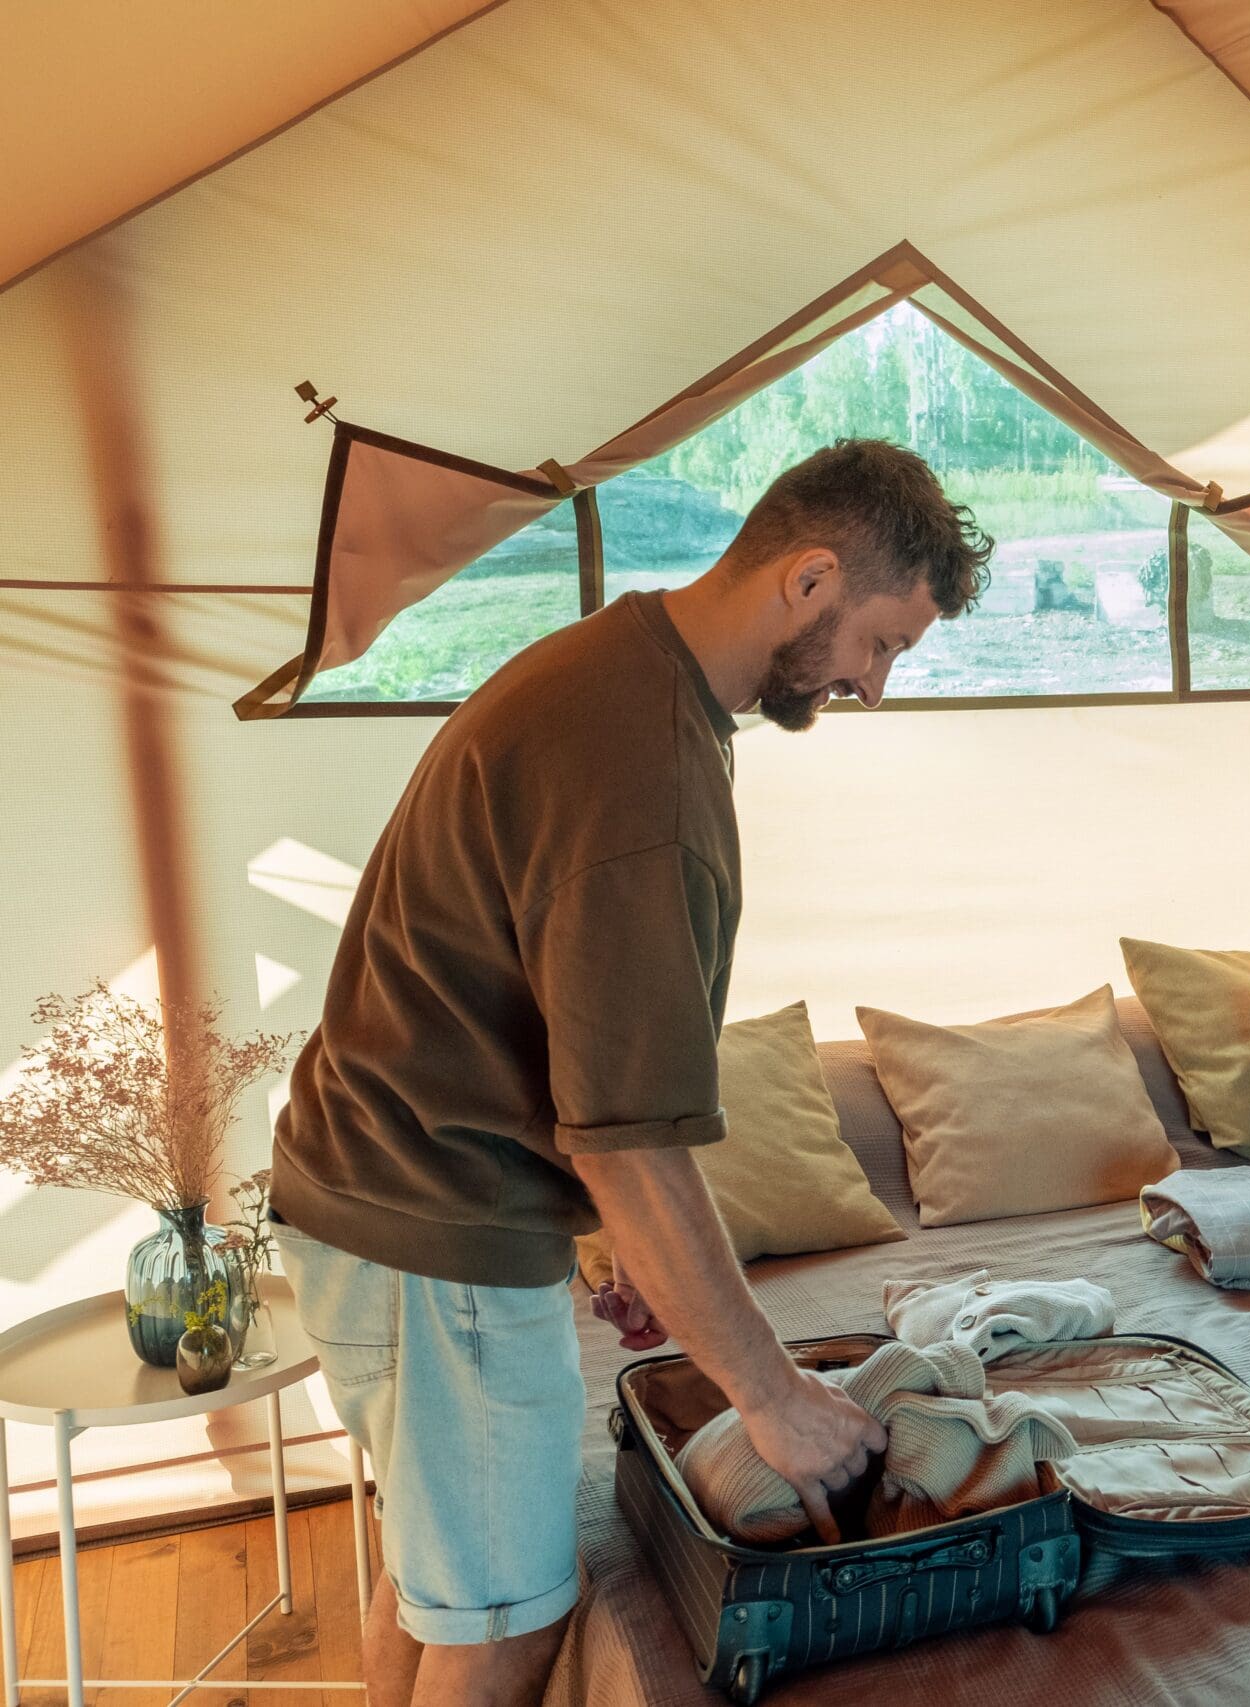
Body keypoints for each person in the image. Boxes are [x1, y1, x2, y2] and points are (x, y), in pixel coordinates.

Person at [267, 438, 993, 1707]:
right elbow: (628, 1138)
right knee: (504, 1627)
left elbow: (549, 1035)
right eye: (883, 643)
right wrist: (768, 1391)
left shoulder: (625, 675)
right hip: (438, 1234)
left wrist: (619, 1244)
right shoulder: (642, 759)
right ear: (811, 579)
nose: (875, 686)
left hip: (378, 1200)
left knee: (442, 1581)